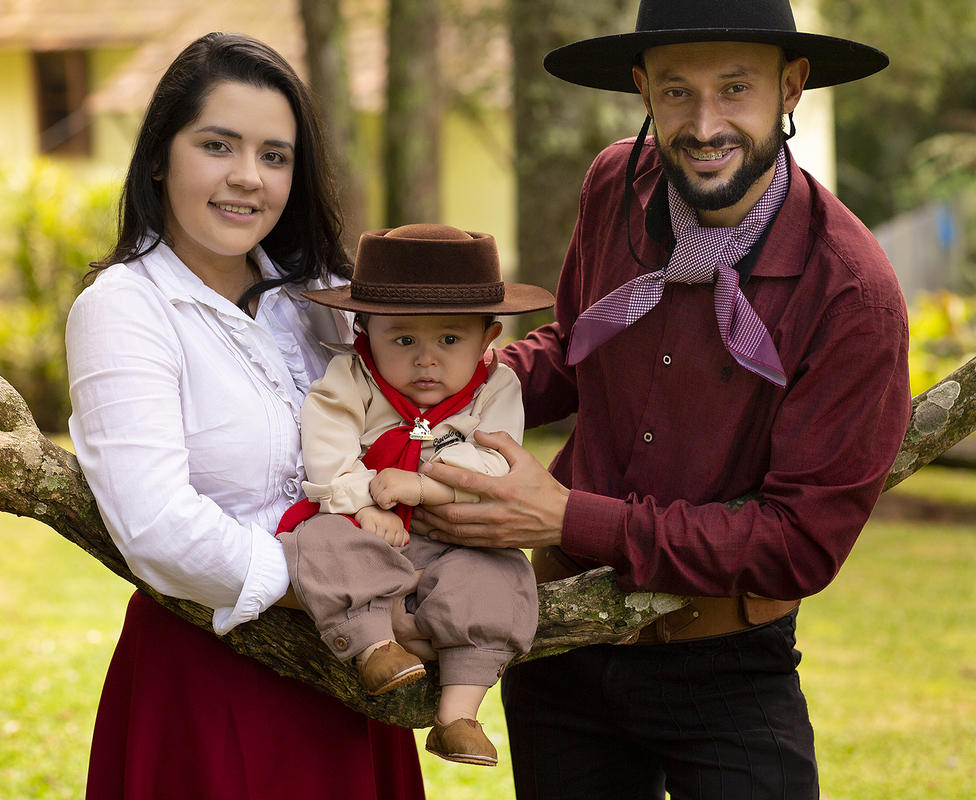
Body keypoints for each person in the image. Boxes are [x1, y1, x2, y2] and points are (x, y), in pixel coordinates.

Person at [413, 1, 913, 798]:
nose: (705, 123)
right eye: (678, 91)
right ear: (643, 88)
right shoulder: (615, 182)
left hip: (724, 666)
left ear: (791, 88)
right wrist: (454, 386)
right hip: (560, 641)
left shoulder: (853, 292)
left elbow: (800, 543)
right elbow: (576, 349)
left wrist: (567, 516)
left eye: (736, 89)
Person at [65, 32, 425, 800]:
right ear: (159, 155)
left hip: (358, 672)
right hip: (211, 673)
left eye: (274, 155)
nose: (246, 179)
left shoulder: (321, 298)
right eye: (218, 145)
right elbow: (156, 525)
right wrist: (329, 585)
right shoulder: (126, 309)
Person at [276, 223, 554, 767]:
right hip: (367, 527)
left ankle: (459, 713)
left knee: (500, 576)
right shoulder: (351, 377)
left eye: (450, 340)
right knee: (319, 543)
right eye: (402, 340)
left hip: (456, 539)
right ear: (366, 331)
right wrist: (360, 499)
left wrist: (423, 486)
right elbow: (327, 442)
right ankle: (374, 646)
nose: (426, 360)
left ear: (488, 336)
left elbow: (496, 463)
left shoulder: (497, 388)